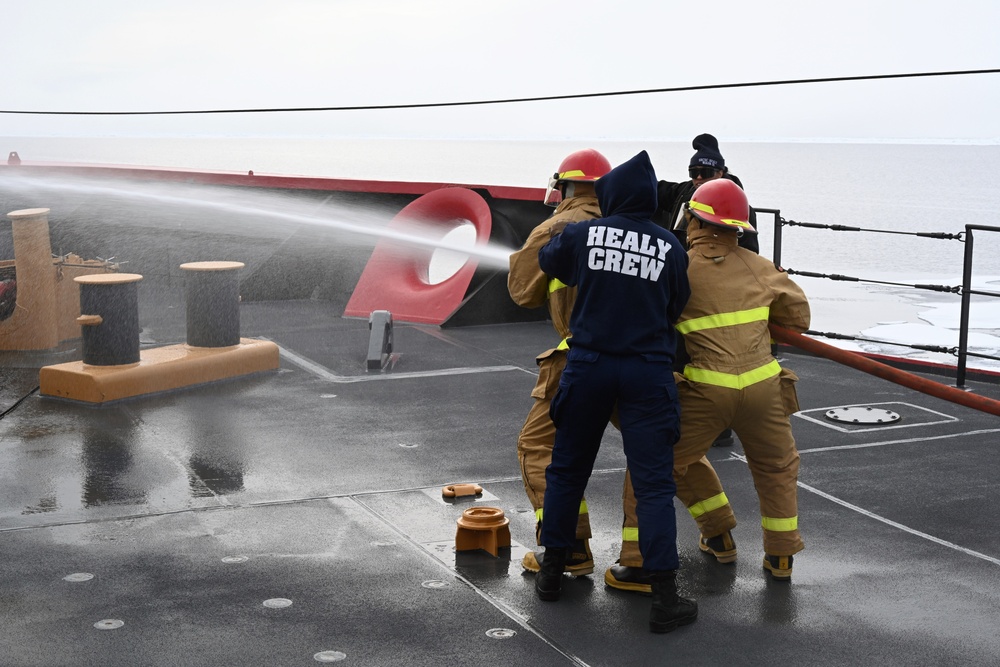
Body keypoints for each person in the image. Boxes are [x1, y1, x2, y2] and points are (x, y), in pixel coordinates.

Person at [533, 150, 698, 634]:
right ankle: (665, 597)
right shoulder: (671, 246)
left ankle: (551, 573)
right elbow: (676, 304)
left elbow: (550, 263)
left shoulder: (583, 234)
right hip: (647, 372)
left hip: (589, 366)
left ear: (611, 197)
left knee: (567, 469)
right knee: (653, 485)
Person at [671, 178, 810, 581]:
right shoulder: (761, 268)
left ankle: (719, 536)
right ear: (738, 227)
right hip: (764, 388)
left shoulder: (680, 268)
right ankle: (781, 558)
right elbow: (799, 318)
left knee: (669, 462)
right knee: (777, 468)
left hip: (706, 388)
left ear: (694, 220)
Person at [508, 148, 610, 576]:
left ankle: (569, 549)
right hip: (643, 360)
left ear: (567, 186)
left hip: (579, 360)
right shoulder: (628, 228)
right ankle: (718, 534)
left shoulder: (555, 227)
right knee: (665, 455)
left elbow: (522, 291)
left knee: (538, 448)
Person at [653, 133, 759, 255]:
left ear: (720, 173)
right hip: (682, 260)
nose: (698, 177)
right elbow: (657, 189)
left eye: (706, 172)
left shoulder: (739, 207)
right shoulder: (685, 191)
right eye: (693, 172)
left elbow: (749, 252)